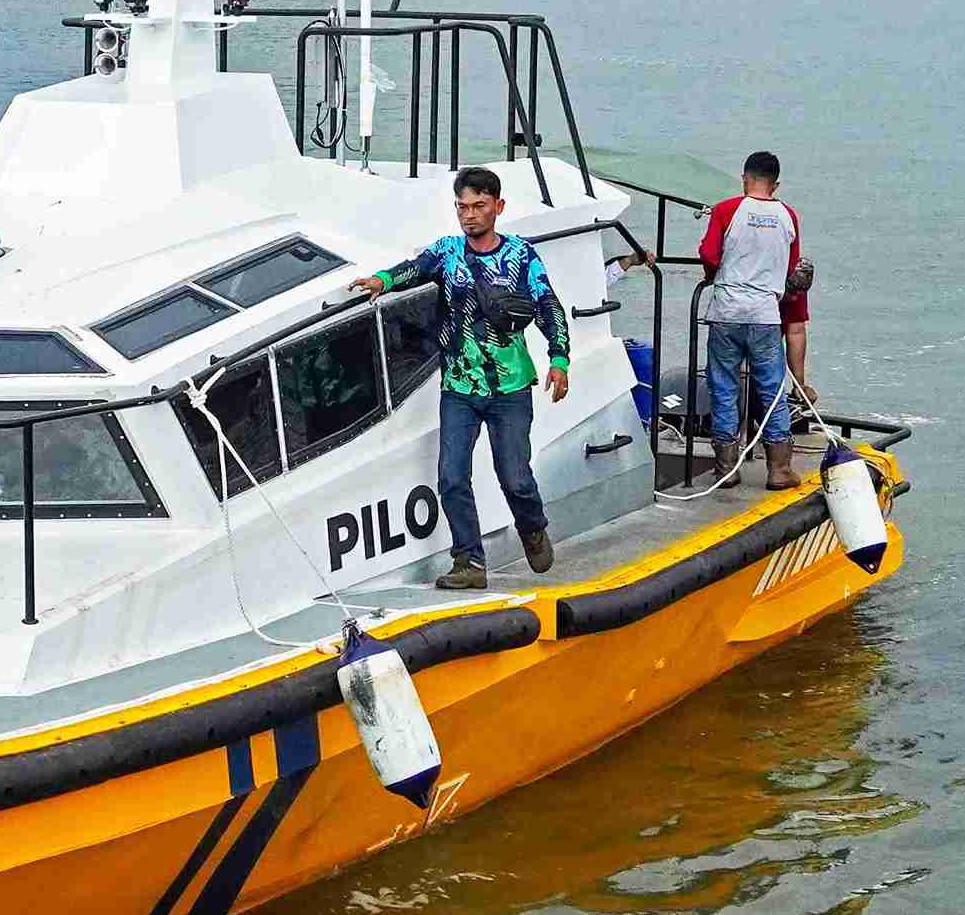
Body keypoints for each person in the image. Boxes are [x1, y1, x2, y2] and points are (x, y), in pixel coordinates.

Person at [344, 164, 572, 590]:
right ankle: (469, 562)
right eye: (462, 207)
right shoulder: (448, 251)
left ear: (498, 207)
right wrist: (382, 280)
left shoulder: (521, 255)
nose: (470, 215)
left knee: (515, 477)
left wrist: (559, 359)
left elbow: (548, 306)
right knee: (451, 477)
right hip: (459, 387)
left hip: (509, 387)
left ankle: (532, 526)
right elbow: (414, 268)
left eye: (479, 206)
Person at [622, 151, 805, 490]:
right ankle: (779, 468)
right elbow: (791, 265)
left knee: (723, 386)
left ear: (744, 178)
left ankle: (726, 468)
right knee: (772, 388)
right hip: (766, 315)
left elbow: (708, 253)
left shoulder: (727, 210)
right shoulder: (788, 216)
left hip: (726, 313)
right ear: (776, 184)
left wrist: (714, 274)